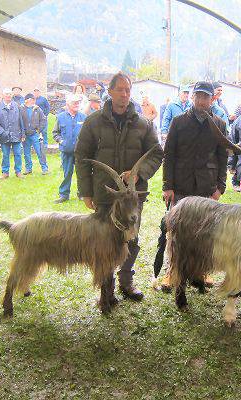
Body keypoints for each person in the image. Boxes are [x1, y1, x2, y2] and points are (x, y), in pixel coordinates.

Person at [75, 72, 163, 301]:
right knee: (104, 242)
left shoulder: (143, 123)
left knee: (131, 240)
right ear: (110, 92)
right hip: (105, 194)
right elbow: (82, 157)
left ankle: (126, 281)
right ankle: (107, 288)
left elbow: (157, 154)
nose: (124, 94)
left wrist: (138, 174)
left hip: (132, 198)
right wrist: (85, 191)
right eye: (120, 89)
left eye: (128, 90)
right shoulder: (93, 122)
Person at [161, 81, 228, 291]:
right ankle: (172, 271)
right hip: (181, 185)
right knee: (177, 233)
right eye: (197, 96)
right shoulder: (179, 122)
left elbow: (222, 157)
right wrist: (167, 186)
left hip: (206, 187)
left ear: (212, 99)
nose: (201, 100)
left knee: (205, 232)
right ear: (192, 97)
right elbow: (169, 154)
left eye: (205, 97)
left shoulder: (219, 124)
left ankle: (201, 271)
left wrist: (220, 187)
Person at [52, 95, 86, 203]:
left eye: (78, 103)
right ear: (68, 105)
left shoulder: (83, 117)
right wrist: (62, 141)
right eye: (74, 103)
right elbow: (55, 133)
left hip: (80, 152)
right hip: (66, 152)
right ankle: (64, 195)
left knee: (81, 174)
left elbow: (88, 134)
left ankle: (81, 194)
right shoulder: (60, 117)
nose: (77, 105)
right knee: (67, 173)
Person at [0, 88, 23, 178]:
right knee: (5, 154)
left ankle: (18, 171)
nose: (8, 96)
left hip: (16, 134)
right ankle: (5, 172)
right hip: (4, 135)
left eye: (9, 94)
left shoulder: (17, 105)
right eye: (6, 94)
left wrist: (23, 133)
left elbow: (21, 120)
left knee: (18, 154)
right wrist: (1, 132)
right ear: (3, 96)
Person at [20, 93, 48, 175]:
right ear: (27, 100)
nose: (34, 101)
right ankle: (28, 168)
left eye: (34, 99)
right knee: (26, 153)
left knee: (40, 152)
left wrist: (38, 130)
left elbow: (43, 120)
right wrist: (22, 133)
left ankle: (44, 168)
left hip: (35, 134)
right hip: (25, 135)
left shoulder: (37, 109)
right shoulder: (21, 109)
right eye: (32, 99)